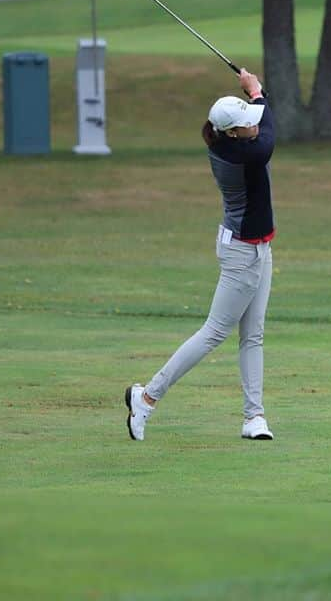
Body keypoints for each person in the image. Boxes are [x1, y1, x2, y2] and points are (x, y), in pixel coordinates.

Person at [125, 69, 276, 441]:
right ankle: (146, 398)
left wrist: (254, 98)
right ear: (232, 134)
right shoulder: (246, 155)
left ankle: (254, 417)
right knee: (214, 332)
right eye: (246, 126)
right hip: (243, 251)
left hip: (256, 246)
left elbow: (262, 122)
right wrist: (256, 91)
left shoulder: (231, 142)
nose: (253, 127)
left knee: (253, 335)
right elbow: (270, 132)